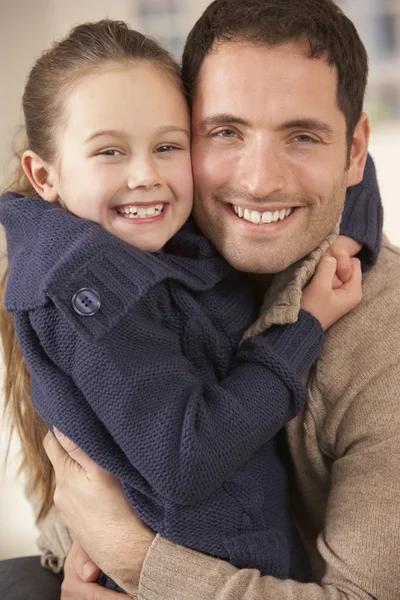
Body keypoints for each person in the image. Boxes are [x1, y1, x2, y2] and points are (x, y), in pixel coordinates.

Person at [25, 0, 400, 599]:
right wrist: (83, 545)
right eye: (225, 132)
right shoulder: (146, 246)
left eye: (302, 136)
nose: (258, 181)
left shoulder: (387, 350)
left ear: (355, 151)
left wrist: (133, 558)